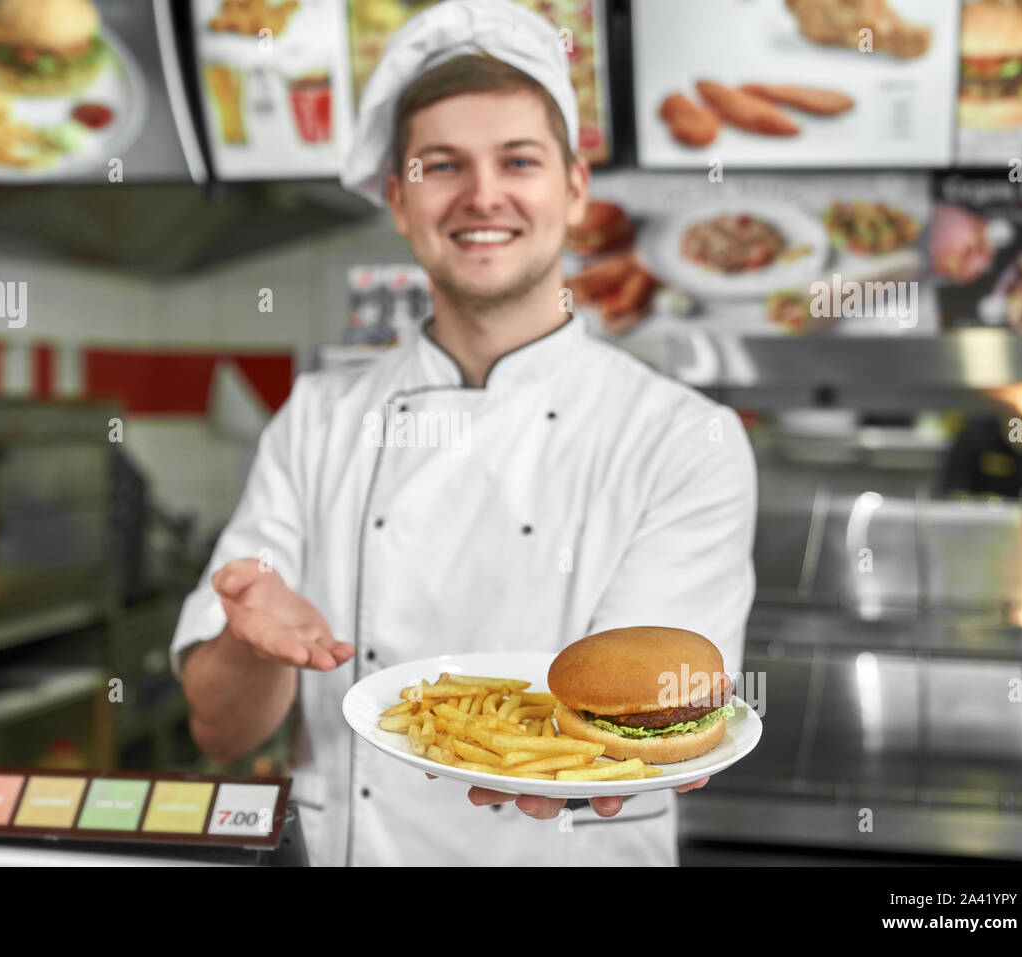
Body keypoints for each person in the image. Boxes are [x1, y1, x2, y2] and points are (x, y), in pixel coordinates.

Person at [171, 0, 757, 866]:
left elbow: (645, 718)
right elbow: (219, 732)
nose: (482, 195)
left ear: (573, 188)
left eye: (517, 160)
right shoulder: (317, 422)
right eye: (442, 166)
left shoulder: (682, 440)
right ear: (401, 202)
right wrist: (253, 645)